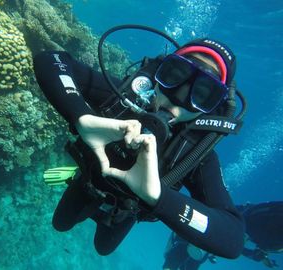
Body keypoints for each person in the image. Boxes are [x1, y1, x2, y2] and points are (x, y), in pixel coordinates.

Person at [33, 33, 245, 257]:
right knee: (61, 224)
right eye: (175, 75)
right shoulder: (122, 101)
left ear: (211, 108)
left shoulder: (195, 154)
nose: (179, 98)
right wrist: (82, 118)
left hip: (125, 211)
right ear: (158, 72)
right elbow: (52, 59)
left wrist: (157, 197)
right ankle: (73, 175)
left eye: (202, 94)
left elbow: (232, 238)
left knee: (102, 248)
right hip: (89, 180)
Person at [162, 201, 283, 269]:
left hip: (228, 234)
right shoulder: (271, 217)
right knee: (186, 251)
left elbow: (236, 245)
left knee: (194, 258)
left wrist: (257, 255)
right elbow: (247, 217)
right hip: (223, 224)